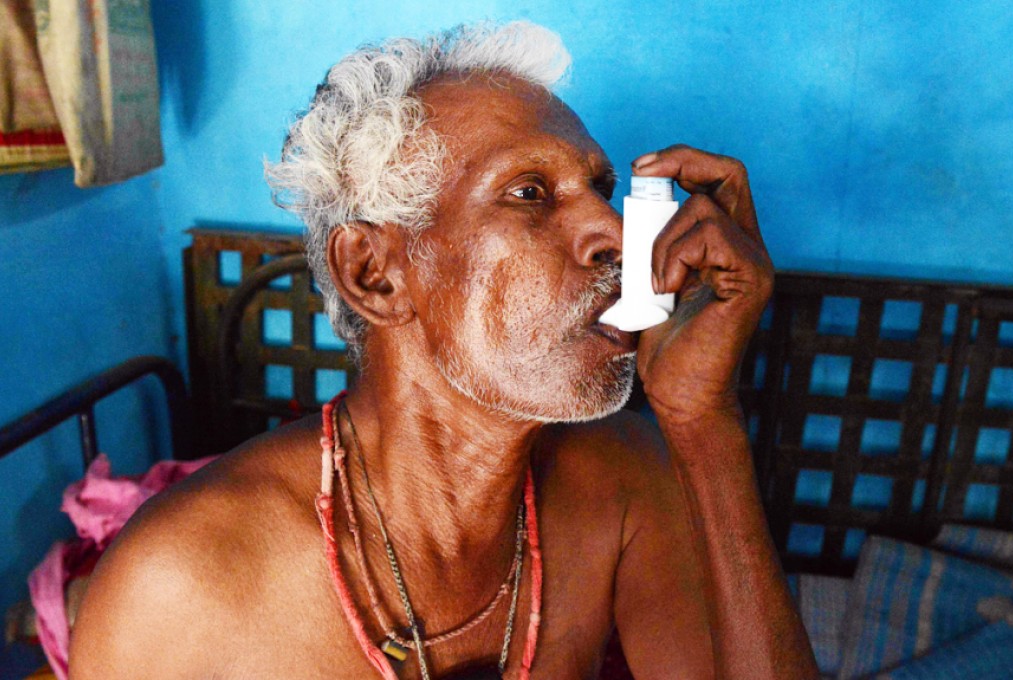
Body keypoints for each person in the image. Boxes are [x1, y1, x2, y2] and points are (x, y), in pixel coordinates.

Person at [69, 21, 818, 679]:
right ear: (375, 274)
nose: (617, 236)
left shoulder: (624, 476)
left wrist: (701, 419)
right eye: (529, 193)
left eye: (601, 187)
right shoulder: (178, 583)